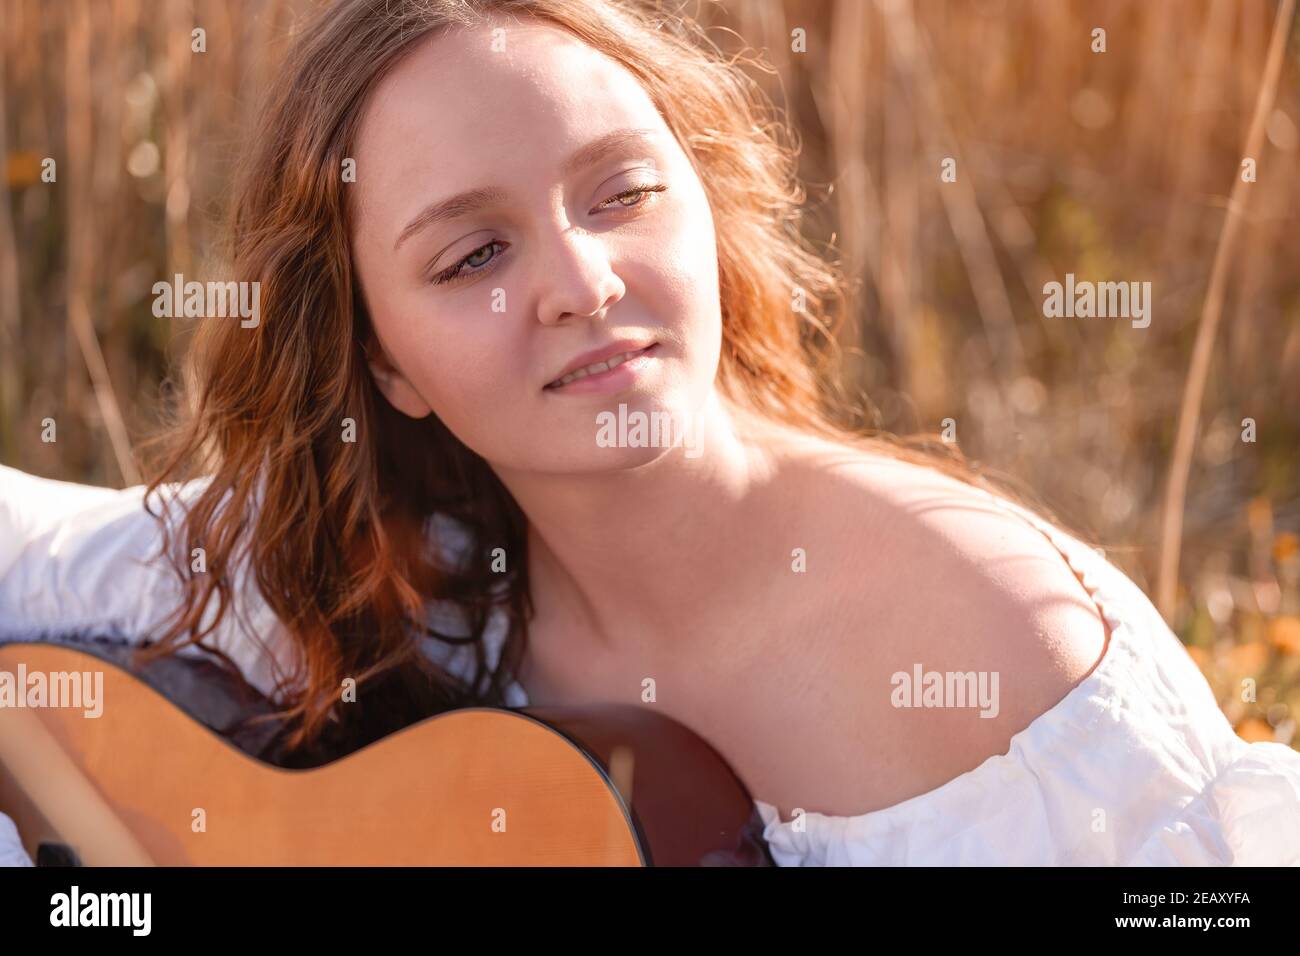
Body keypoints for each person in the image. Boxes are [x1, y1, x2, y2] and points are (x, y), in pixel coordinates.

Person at [2, 0, 1298, 866]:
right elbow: (38, 552)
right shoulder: (404, 557)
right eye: (473, 254)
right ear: (383, 359)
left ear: (706, 207)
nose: (583, 280)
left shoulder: (995, 667)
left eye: (621, 190)